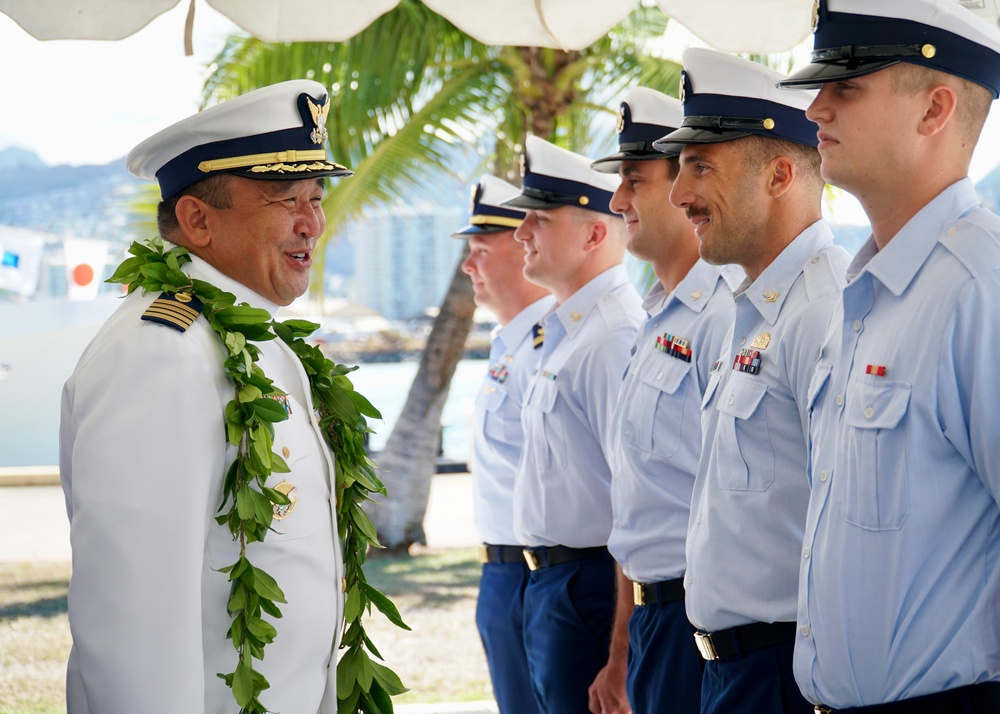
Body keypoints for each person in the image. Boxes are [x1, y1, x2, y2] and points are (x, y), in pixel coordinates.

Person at [59, 80, 353, 713]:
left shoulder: (251, 339)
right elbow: (130, 617)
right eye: (285, 199)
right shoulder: (161, 352)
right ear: (196, 219)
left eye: (316, 196)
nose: (313, 222)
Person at [775, 1, 1000, 711]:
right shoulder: (865, 291)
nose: (815, 109)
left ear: (934, 109)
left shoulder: (979, 288)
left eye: (847, 86)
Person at [654, 49, 850, 714]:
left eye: (700, 165)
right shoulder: (754, 307)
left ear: (780, 174)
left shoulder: (823, 307)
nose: (679, 194)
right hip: (728, 671)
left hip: (781, 675)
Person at [587, 86, 742, 714]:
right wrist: (622, 648)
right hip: (653, 618)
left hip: (696, 620)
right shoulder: (656, 316)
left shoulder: (726, 314)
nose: (618, 200)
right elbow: (640, 506)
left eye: (633, 180)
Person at [500, 134, 644, 714]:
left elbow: (637, 505)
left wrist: (621, 653)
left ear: (594, 232)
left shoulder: (613, 337)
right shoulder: (569, 334)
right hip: (552, 586)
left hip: (592, 590)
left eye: (539, 217)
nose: (520, 233)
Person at [456, 174, 553, 714]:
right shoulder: (510, 343)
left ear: (523, 249)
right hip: (501, 571)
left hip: (534, 571)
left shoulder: (549, 344)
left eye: (479, 251)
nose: (468, 266)